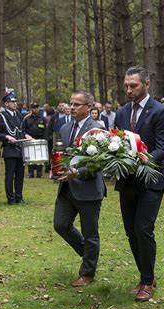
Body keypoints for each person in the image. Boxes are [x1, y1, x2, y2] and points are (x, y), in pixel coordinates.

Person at [114, 66, 164, 301]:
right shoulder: (121, 112)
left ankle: (147, 281)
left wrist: (143, 160)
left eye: (133, 85)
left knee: (143, 229)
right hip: (127, 181)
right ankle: (144, 274)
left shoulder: (160, 112)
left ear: (147, 84)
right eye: (126, 85)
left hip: (151, 180)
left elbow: (163, 147)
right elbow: (114, 141)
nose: (128, 89)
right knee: (130, 231)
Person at [53, 90, 106, 287]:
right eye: (71, 104)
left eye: (77, 104)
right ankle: (89, 254)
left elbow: (100, 162)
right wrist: (56, 169)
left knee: (90, 232)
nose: (72, 108)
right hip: (66, 188)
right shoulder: (65, 128)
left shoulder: (97, 130)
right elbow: (61, 154)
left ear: (89, 107)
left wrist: (79, 172)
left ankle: (88, 272)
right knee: (61, 225)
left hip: (88, 189)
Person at [0, 92, 30, 204]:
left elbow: (21, 130)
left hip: (20, 148)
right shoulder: (2, 116)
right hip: (9, 149)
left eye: (15, 102)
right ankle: (11, 198)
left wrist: (26, 135)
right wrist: (6, 136)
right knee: (10, 175)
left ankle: (19, 196)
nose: (15, 104)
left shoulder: (18, 114)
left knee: (20, 174)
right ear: (6, 103)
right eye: (12, 102)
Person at [22, 102, 47, 178]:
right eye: (33, 108)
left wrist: (44, 139)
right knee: (30, 156)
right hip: (30, 139)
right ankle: (31, 172)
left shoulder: (42, 118)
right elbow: (23, 129)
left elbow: (45, 130)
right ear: (31, 109)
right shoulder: (26, 118)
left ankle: (39, 172)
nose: (35, 109)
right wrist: (26, 136)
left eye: (37, 107)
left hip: (40, 139)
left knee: (39, 156)